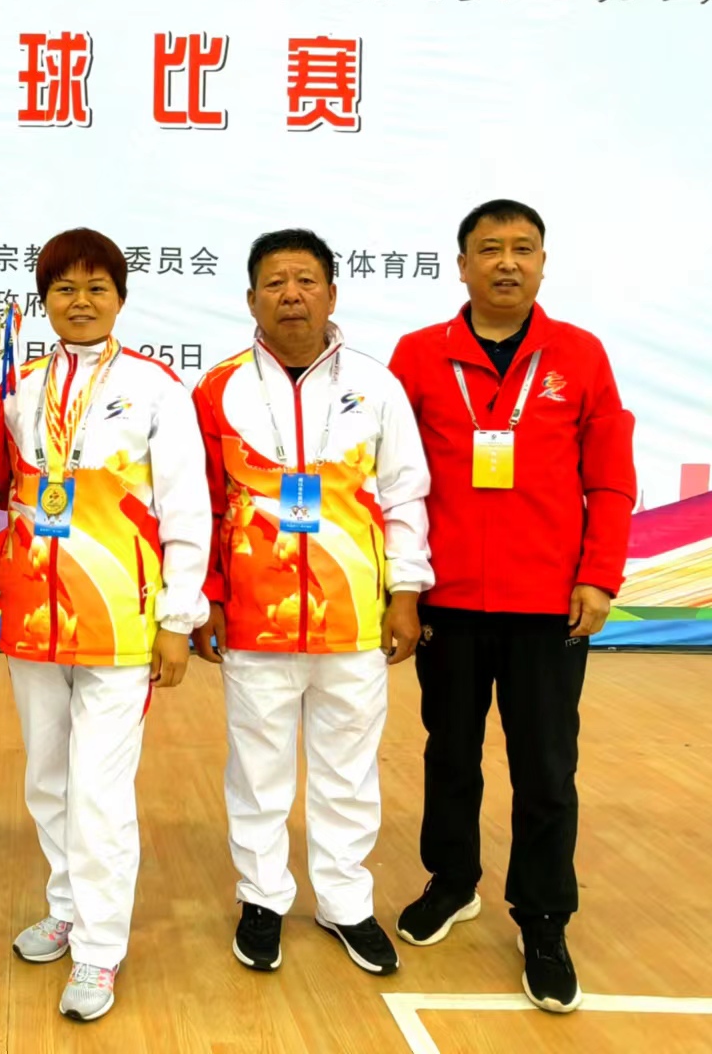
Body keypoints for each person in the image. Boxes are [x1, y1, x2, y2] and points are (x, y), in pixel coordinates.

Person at [387, 199, 636, 1014]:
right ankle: (452, 880)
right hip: (450, 600)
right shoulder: (418, 355)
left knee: (546, 768)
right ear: (460, 265)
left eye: (522, 248)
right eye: (488, 248)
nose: (506, 262)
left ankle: (543, 917)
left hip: (548, 605)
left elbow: (610, 480)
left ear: (542, 262)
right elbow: (395, 480)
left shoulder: (580, 355)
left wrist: (598, 576)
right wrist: (404, 589)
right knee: (449, 753)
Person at [191, 229, 432, 977]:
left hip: (354, 615)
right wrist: (209, 597)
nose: (290, 295)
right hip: (255, 616)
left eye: (305, 280)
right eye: (274, 282)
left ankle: (345, 902)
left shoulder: (376, 385)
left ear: (332, 293)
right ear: (250, 299)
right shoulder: (218, 389)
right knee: (257, 768)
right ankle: (262, 897)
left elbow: (405, 494)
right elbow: (201, 504)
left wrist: (406, 593)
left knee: (348, 767)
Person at [0, 228, 211, 1023]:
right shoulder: (20, 389)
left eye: (96, 288)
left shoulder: (156, 388)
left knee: (100, 791)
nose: (79, 302)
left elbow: (186, 507)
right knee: (47, 779)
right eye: (64, 289)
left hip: (121, 621)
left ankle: (99, 948)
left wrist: (178, 617)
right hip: (33, 616)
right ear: (43, 301)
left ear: (121, 298)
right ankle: (66, 906)